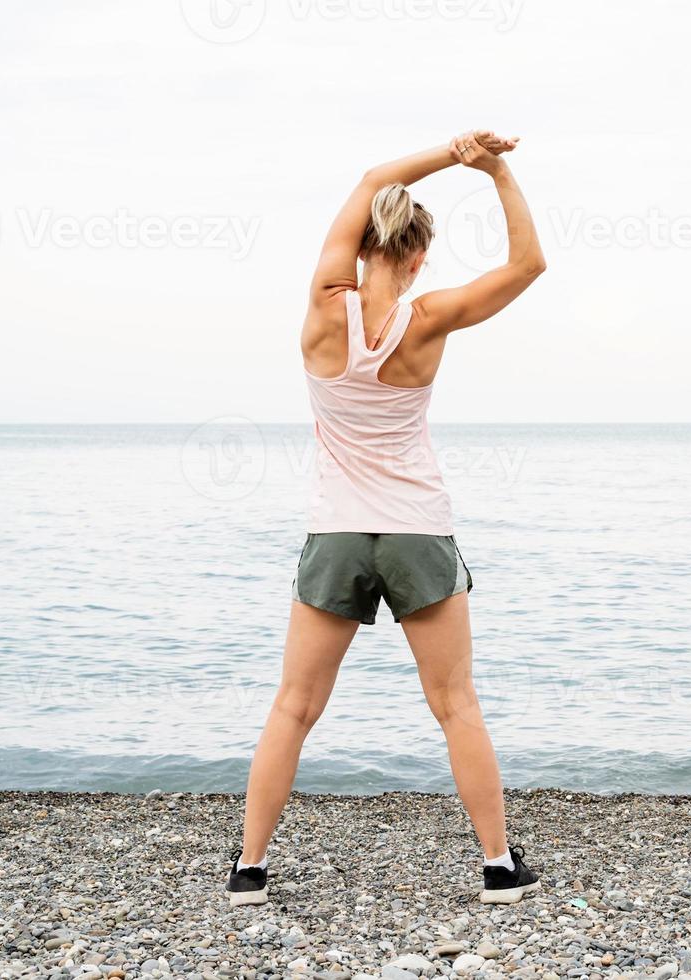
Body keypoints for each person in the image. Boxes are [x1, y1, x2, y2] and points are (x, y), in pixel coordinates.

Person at [226, 130, 546, 908]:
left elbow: (373, 174)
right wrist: (496, 169)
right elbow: (528, 265)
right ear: (416, 256)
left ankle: (249, 871)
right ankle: (498, 866)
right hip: (414, 528)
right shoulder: (430, 318)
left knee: (293, 707)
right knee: (455, 705)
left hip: (336, 531)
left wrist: (450, 149)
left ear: (362, 244)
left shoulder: (322, 308)